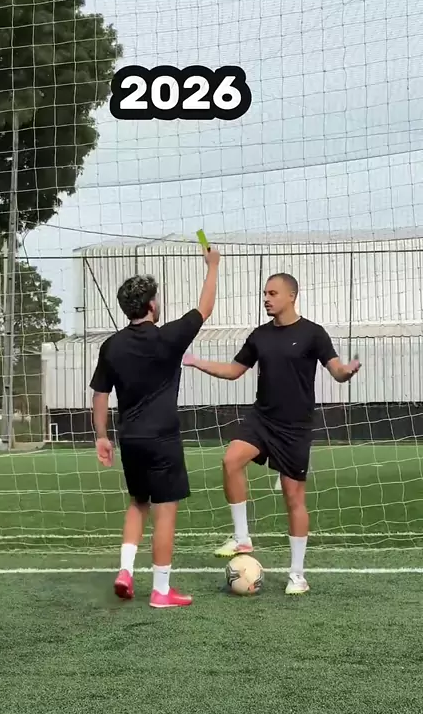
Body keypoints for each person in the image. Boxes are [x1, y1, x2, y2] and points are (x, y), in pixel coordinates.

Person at [183, 272, 361, 595]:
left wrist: (346, 372)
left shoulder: (313, 333)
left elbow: (335, 369)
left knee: (293, 498)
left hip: (295, 428)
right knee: (231, 460)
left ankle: (297, 575)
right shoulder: (259, 336)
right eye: (265, 293)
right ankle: (242, 537)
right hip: (262, 419)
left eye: (273, 293)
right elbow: (234, 371)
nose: (266, 298)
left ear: (292, 296)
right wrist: (197, 361)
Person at [90, 245, 221, 608]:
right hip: (162, 438)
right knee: (165, 511)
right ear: (151, 305)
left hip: (130, 439)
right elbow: (205, 308)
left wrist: (101, 436)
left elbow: (100, 394)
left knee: (138, 503)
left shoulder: (111, 346)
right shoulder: (168, 337)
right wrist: (212, 266)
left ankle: (126, 571)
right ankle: (161, 590)